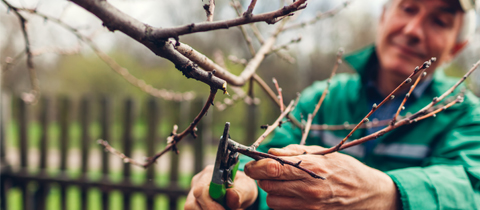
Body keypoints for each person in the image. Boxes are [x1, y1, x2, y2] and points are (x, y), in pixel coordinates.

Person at [185, 0, 480, 209]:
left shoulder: (466, 116)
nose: (414, 30)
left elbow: (470, 189)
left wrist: (385, 193)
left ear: (456, 47)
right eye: (408, 8)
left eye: (439, 21)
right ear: (384, 16)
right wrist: (246, 187)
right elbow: (271, 159)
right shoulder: (322, 100)